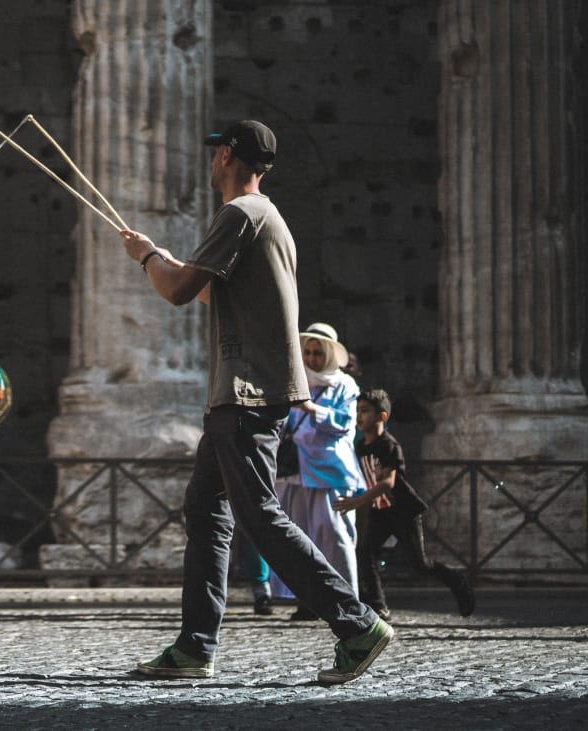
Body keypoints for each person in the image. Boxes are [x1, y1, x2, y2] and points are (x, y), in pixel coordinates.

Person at [118, 119, 391, 685]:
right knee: (206, 511)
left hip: (245, 393)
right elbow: (204, 283)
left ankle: (356, 622)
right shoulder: (266, 219)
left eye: (215, 150)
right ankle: (195, 647)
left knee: (259, 515)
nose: (211, 157)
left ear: (225, 157)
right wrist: (164, 259)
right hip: (242, 393)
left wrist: (148, 257)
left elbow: (176, 291)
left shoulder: (240, 213)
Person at [332, 388, 475, 619]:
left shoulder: (389, 445)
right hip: (380, 511)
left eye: (365, 411)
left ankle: (457, 580)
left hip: (402, 510)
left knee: (420, 565)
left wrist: (358, 501)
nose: (359, 416)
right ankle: (379, 607)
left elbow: (388, 482)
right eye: (358, 410)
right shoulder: (361, 446)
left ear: (382, 417)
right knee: (366, 555)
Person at [274, 322, 366, 620]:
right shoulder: (295, 380)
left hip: (330, 470)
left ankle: (347, 600)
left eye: (317, 353)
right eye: (308, 352)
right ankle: (309, 600)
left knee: (335, 534)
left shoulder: (344, 385)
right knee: (301, 536)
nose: (312, 359)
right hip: (297, 468)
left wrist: (313, 409)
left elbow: (345, 424)